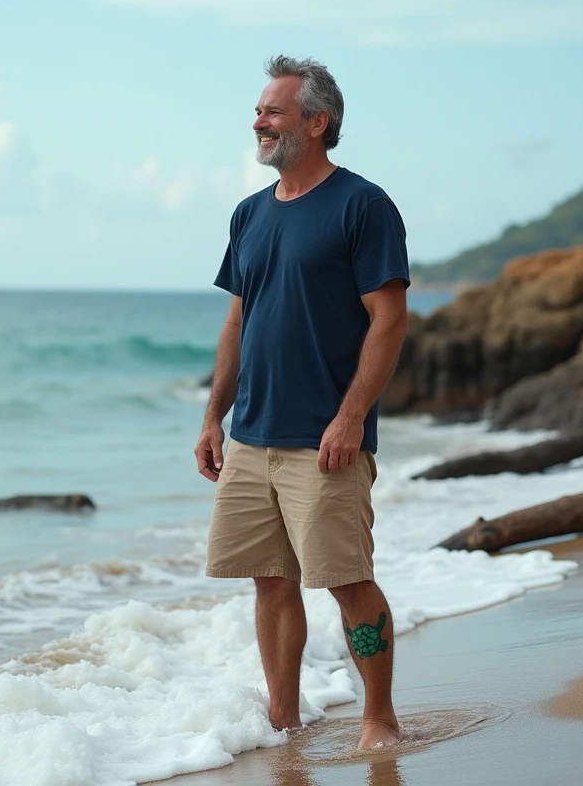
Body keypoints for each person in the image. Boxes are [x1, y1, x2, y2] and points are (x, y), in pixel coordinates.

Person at [194, 55, 411, 750]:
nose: (259, 122)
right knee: (269, 584)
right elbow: (238, 322)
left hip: (325, 441)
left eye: (274, 111)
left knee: (347, 583)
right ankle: (283, 720)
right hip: (252, 437)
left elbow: (389, 318)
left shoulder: (362, 205)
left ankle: (378, 718)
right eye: (258, 111)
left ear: (317, 123)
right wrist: (212, 417)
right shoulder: (249, 215)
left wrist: (351, 417)